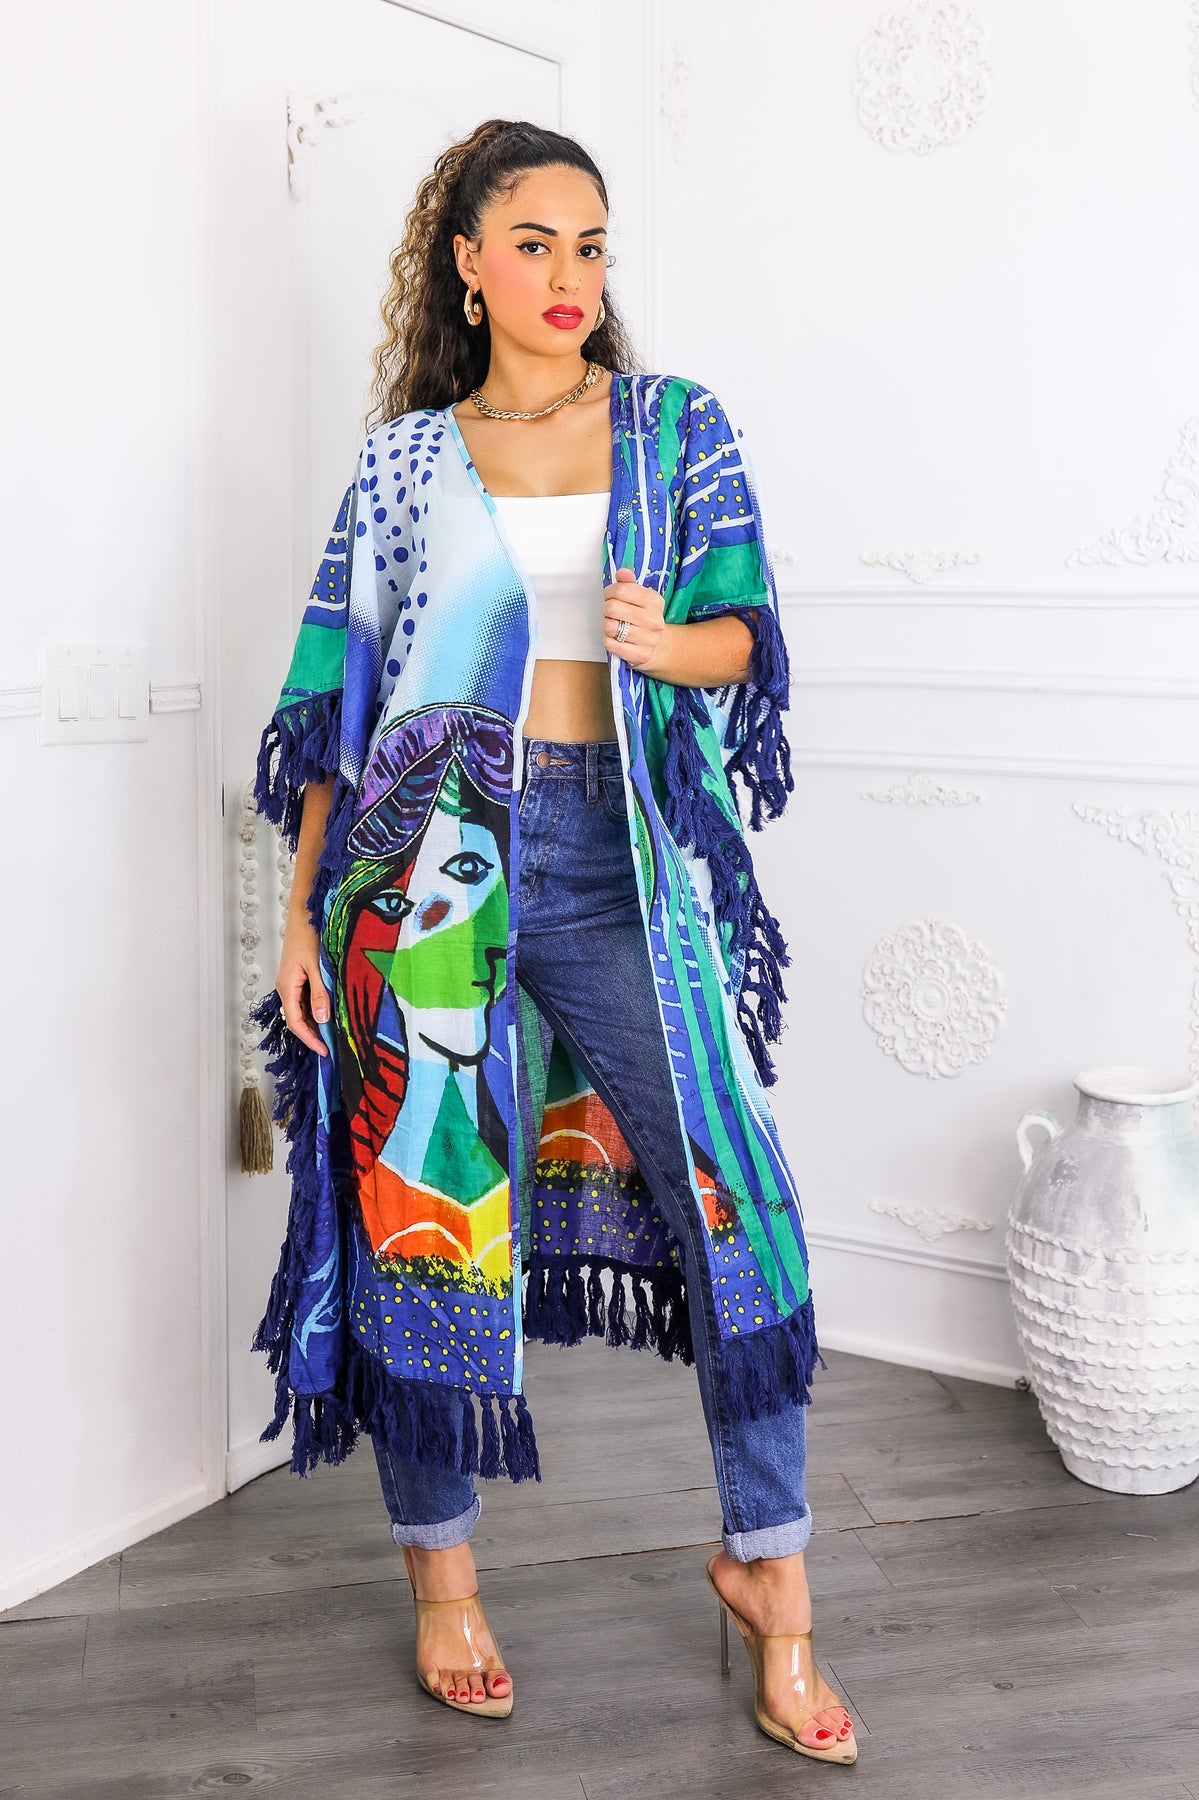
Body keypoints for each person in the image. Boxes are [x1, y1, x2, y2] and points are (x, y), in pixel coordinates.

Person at [253, 117, 857, 1765]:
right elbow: (337, 708)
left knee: (737, 1198)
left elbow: (751, 640)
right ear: (467, 263)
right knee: (423, 1215)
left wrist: (671, 642)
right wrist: (301, 919)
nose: (570, 275)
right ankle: (443, 1579)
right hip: (426, 871)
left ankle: (772, 1570)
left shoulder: (672, 427)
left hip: (618, 859)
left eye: (592, 246)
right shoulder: (403, 464)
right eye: (535, 244)